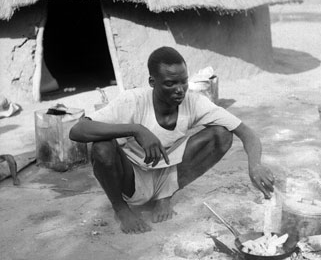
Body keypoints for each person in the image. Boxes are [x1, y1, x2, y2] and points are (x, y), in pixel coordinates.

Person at [69, 47, 275, 234]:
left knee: (222, 134)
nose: (180, 89)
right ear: (152, 82)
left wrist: (255, 165)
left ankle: (164, 196)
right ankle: (121, 210)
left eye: (183, 81)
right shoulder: (133, 101)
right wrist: (136, 130)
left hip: (168, 170)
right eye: (170, 83)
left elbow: (246, 133)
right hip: (131, 177)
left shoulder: (194, 103)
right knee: (102, 147)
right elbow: (77, 130)